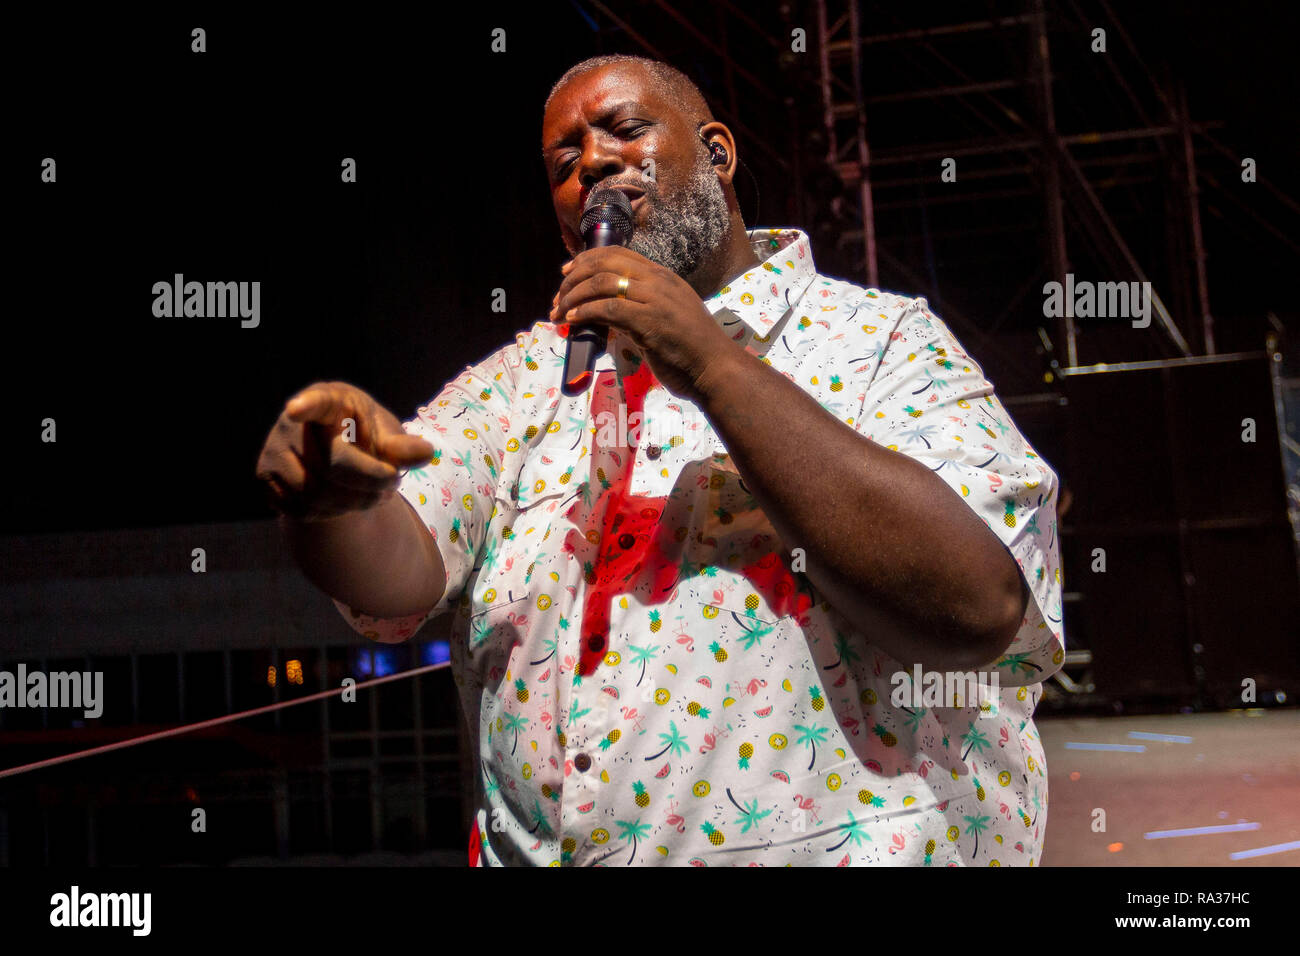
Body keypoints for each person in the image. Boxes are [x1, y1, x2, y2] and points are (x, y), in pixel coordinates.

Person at [255, 54, 1065, 866]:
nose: (595, 164)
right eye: (565, 165)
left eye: (626, 130)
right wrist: (332, 503)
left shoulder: (882, 342)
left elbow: (978, 606)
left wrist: (711, 365)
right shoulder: (517, 390)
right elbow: (397, 568)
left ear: (718, 153)